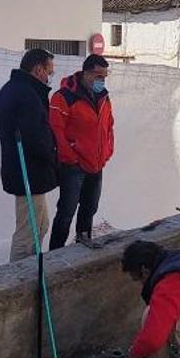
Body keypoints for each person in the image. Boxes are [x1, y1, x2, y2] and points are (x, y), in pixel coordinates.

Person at [0, 48, 58, 262]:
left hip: (25, 171)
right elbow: (37, 137)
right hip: (28, 172)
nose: (49, 77)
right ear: (38, 69)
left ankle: (30, 266)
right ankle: (18, 276)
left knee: (40, 224)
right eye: (49, 71)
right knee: (28, 231)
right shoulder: (27, 94)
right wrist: (54, 156)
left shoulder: (11, 88)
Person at [48, 54, 115, 250]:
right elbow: (56, 130)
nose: (101, 81)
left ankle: (83, 244)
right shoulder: (63, 97)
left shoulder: (104, 97)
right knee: (66, 211)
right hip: (74, 166)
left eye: (104, 77)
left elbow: (109, 125)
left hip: (96, 164)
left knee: (89, 208)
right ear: (86, 73)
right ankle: (55, 252)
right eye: (98, 76)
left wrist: (108, 151)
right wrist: (70, 157)